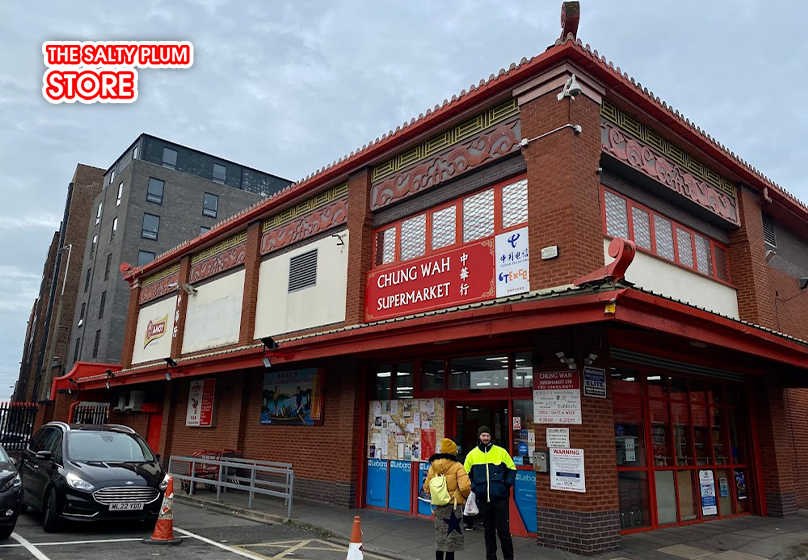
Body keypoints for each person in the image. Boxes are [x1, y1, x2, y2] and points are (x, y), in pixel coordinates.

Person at [464, 426, 516, 560]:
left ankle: (509, 558)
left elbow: (512, 469)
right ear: (479, 437)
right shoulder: (472, 454)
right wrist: (475, 487)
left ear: (491, 437)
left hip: (500, 499)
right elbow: (465, 474)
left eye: (487, 435)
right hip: (483, 500)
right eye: (483, 435)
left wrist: (506, 485)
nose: (485, 438)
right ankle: (491, 557)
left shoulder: (501, 452)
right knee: (488, 532)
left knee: (504, 532)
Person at [423, 438, 471, 560]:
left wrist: (436, 496)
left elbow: (426, 488)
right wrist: (462, 497)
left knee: (440, 539)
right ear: (454, 452)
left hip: (439, 507)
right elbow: (465, 487)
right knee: (451, 540)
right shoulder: (457, 466)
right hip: (453, 506)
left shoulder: (434, 466)